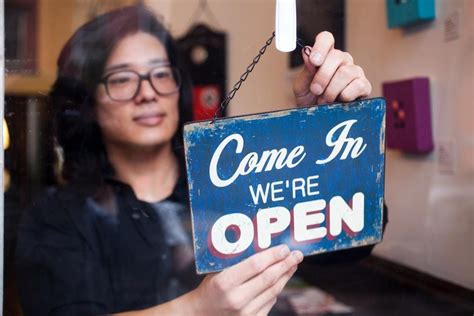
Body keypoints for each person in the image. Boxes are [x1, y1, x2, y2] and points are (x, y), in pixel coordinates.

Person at [15, 5, 372, 316]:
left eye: (160, 74)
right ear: (87, 103)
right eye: (122, 79)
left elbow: (352, 241)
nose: (148, 93)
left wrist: (322, 131)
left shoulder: (232, 180)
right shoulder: (56, 219)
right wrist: (198, 309)